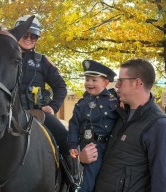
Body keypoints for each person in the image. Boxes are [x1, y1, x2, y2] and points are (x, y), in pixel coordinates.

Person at [80, 59, 166, 192]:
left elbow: (161, 182)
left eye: (121, 81)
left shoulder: (158, 125)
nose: (117, 85)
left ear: (137, 83)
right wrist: (83, 158)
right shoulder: (117, 114)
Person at [14, 15, 72, 168]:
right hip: (8, 113)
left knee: (67, 139)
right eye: (25, 34)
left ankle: (73, 178)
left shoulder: (42, 61)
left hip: (37, 114)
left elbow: (60, 87)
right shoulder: (3, 56)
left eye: (34, 36)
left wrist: (53, 107)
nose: (29, 38)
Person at [68, 60, 119, 192]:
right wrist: (73, 144)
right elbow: (74, 125)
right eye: (87, 79)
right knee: (88, 178)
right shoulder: (81, 103)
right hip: (91, 146)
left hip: (111, 146)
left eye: (94, 80)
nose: (89, 83)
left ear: (106, 82)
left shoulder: (115, 100)